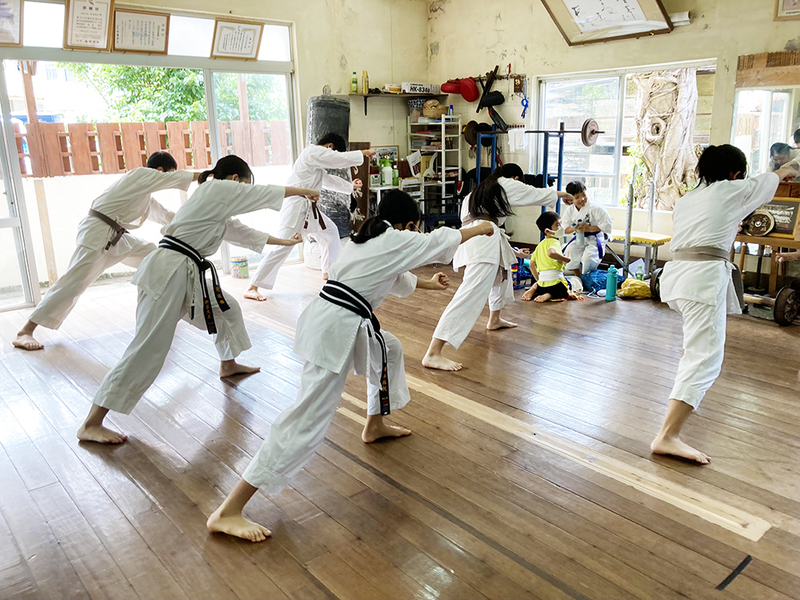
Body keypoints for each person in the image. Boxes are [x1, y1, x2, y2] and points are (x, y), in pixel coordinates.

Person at [206, 191, 494, 542]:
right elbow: (436, 241)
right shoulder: (392, 238)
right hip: (334, 328)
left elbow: (396, 276)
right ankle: (229, 510)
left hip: (335, 320)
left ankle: (375, 424)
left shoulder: (368, 240)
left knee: (388, 349)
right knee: (305, 420)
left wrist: (429, 284)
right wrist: (479, 229)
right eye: (414, 229)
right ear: (409, 224)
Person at [77, 155, 320, 445]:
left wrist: (287, 243)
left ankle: (228, 363)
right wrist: (303, 191)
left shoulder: (213, 206)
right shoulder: (217, 189)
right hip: (169, 272)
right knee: (147, 349)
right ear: (233, 180)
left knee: (226, 310)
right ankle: (91, 423)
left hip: (184, 275)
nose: (242, 190)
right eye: (242, 185)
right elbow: (259, 194)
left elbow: (242, 233)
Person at [651, 145, 798, 464]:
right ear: (734, 173)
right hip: (701, 278)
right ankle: (667, 435)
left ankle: (675, 416)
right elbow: (781, 174)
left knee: (696, 349)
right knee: (705, 359)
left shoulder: (690, 197)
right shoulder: (734, 189)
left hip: (677, 278)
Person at [13, 152, 198, 351]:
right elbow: (176, 179)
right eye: (169, 174)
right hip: (97, 232)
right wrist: (210, 175)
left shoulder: (144, 194)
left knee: (154, 254)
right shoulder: (139, 175)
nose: (169, 179)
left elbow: (165, 216)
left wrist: (197, 220)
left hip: (117, 238)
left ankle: (164, 311)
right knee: (73, 282)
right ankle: (25, 331)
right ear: (160, 171)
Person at [422, 164, 573, 371]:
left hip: (476, 238)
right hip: (483, 239)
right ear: (515, 178)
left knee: (500, 279)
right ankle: (433, 352)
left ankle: (494, 319)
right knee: (469, 295)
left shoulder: (477, 191)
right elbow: (534, 194)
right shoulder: (505, 184)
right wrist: (563, 194)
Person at [244, 133, 376, 301]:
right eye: (333, 152)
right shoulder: (311, 152)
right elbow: (339, 159)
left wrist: (350, 186)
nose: (332, 157)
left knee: (330, 232)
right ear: (329, 147)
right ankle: (252, 286)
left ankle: (329, 273)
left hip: (308, 209)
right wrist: (363, 153)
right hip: (295, 207)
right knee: (283, 245)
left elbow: (327, 181)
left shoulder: (315, 163)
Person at [560, 180, 613, 277]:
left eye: (584, 195)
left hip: (596, 237)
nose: (582, 199)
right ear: (570, 199)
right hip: (579, 237)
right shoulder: (570, 210)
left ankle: (587, 277)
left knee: (588, 258)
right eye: (577, 197)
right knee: (570, 252)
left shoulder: (597, 208)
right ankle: (578, 277)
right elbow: (565, 228)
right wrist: (574, 229)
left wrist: (589, 228)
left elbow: (607, 226)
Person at [521, 211, 573, 302]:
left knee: (541, 285)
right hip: (556, 285)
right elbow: (551, 253)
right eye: (557, 225)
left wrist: (539, 280)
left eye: (561, 224)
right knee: (568, 286)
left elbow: (531, 265)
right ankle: (548, 295)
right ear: (547, 231)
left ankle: (534, 289)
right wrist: (566, 259)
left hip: (542, 286)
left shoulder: (539, 245)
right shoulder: (554, 242)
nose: (561, 228)